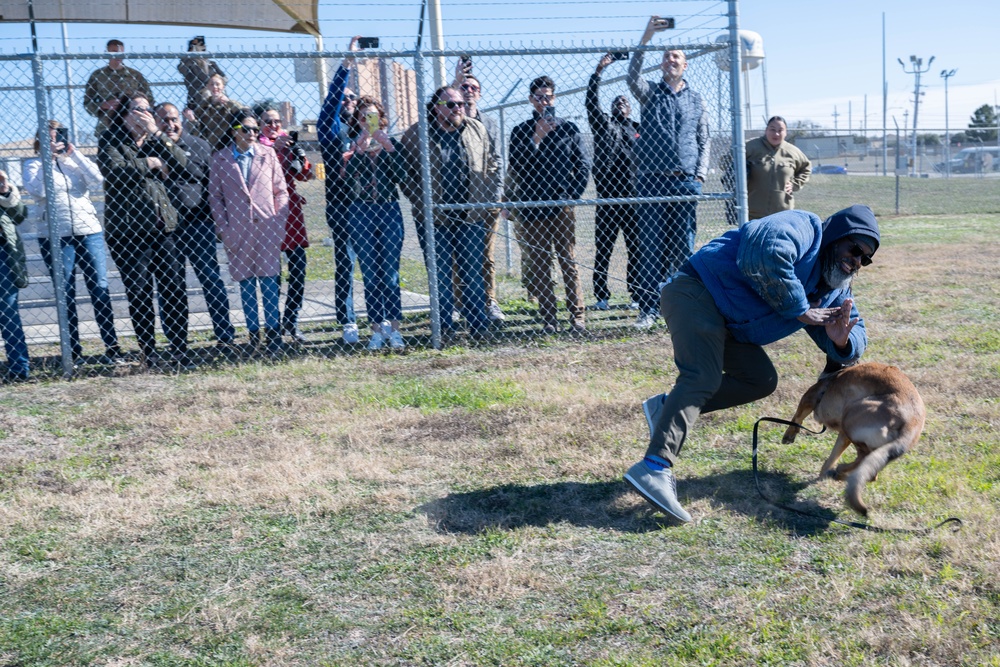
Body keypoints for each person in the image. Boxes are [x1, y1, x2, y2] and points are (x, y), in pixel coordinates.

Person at [623, 205, 881, 524]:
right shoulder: (806, 228)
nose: (857, 261)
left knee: (760, 379)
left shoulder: (832, 289)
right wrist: (800, 309)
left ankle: (665, 409)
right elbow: (764, 251)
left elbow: (856, 334)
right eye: (855, 248)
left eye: (865, 259)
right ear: (836, 237)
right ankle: (653, 467)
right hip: (696, 293)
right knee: (700, 376)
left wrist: (841, 341)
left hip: (729, 325)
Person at [98, 94, 192, 369]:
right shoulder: (110, 139)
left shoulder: (155, 138)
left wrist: (156, 134)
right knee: (139, 293)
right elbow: (113, 171)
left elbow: (180, 163)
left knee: (174, 289)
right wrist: (148, 163)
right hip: (128, 233)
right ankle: (149, 353)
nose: (145, 114)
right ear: (125, 115)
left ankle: (179, 350)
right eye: (138, 109)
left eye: (148, 109)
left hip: (163, 228)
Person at [628, 16, 710, 329]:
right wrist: (646, 38)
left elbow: (704, 138)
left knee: (683, 248)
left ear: (685, 65)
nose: (670, 59)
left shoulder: (696, 99)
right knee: (649, 246)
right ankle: (647, 310)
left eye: (676, 56)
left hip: (685, 182)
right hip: (651, 181)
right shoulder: (649, 93)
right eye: (666, 56)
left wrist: (699, 176)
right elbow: (632, 76)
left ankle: (680, 308)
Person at [401, 86, 501, 341]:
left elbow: (492, 163)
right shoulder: (416, 135)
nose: (459, 108)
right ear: (436, 107)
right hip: (434, 219)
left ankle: (479, 327)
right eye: (452, 104)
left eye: (460, 104)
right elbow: (405, 175)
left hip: (470, 216)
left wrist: (487, 199)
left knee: (472, 273)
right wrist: (422, 202)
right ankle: (444, 328)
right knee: (441, 275)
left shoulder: (476, 129)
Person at [23, 120, 123, 365]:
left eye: (58, 136)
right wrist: (49, 160)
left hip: (88, 231)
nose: (54, 140)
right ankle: (74, 352)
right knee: (65, 292)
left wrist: (73, 153)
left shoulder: (74, 162)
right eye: (48, 138)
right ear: (39, 141)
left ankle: (112, 348)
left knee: (99, 287)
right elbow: (38, 191)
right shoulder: (33, 164)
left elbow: (97, 179)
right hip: (55, 236)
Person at [504, 76, 591, 334]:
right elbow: (518, 165)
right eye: (539, 97)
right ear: (531, 100)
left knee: (569, 263)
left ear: (554, 98)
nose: (545, 101)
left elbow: (583, 164)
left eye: (549, 97)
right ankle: (549, 320)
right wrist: (537, 137)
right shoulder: (521, 131)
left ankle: (577, 318)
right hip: (532, 209)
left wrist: (572, 195)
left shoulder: (569, 129)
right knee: (540, 265)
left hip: (561, 209)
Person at [154, 103, 237, 352]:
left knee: (211, 279)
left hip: (199, 224)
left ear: (181, 120)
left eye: (174, 119)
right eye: (164, 120)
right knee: (171, 284)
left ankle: (225, 334)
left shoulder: (199, 145)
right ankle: (177, 340)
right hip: (167, 229)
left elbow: (197, 175)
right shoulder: (149, 146)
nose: (170, 125)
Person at [208, 109, 290, 357]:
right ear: (235, 130)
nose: (253, 133)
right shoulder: (221, 159)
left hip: (267, 229)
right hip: (238, 231)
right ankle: (254, 335)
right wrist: (224, 229)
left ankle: (274, 334)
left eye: (255, 129)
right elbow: (216, 198)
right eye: (247, 129)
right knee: (246, 284)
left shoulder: (268, 154)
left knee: (268, 282)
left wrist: (278, 223)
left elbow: (281, 191)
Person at [343, 97, 406, 351]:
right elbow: (347, 184)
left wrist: (388, 146)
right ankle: (377, 330)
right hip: (361, 211)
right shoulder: (352, 147)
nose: (368, 122)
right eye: (363, 117)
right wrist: (360, 149)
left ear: (381, 119)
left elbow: (401, 176)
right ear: (357, 121)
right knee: (370, 273)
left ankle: (395, 329)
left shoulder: (392, 144)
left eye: (373, 117)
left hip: (389, 208)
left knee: (390, 274)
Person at [256, 102, 315, 344]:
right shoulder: (257, 146)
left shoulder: (286, 142)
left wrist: (300, 156)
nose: (273, 126)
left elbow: (304, 175)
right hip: (267, 215)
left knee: (298, 269)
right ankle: (273, 321)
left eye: (277, 121)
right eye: (268, 122)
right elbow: (262, 176)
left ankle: (291, 319)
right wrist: (275, 151)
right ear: (260, 125)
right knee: (273, 274)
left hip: (291, 215)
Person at [451, 59, 505, 322]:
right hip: (459, 200)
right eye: (464, 86)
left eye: (473, 87)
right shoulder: (451, 119)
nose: (469, 90)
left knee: (486, 255)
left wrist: (495, 196)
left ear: (480, 93)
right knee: (457, 255)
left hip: (486, 201)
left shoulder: (490, 122)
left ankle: (490, 301)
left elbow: (496, 160)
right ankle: (459, 302)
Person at [587, 53, 641, 311]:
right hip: (608, 198)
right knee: (603, 249)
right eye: (616, 101)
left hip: (633, 199)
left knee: (636, 249)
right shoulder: (603, 124)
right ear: (611, 109)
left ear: (630, 108)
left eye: (625, 101)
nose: (621, 103)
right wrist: (599, 71)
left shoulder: (638, 128)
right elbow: (590, 103)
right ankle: (601, 296)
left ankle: (637, 294)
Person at [316, 38, 361, 344]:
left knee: (377, 264)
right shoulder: (329, 131)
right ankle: (347, 320)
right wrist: (345, 66)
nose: (348, 101)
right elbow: (332, 100)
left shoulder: (366, 130)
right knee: (345, 263)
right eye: (343, 99)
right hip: (341, 207)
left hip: (368, 205)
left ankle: (382, 317)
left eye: (352, 98)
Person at [745, 116, 811, 221]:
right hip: (752, 213)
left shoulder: (793, 151)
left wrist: (795, 184)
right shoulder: (750, 147)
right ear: (766, 130)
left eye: (780, 130)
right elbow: (726, 162)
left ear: (786, 132)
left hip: (782, 213)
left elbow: (806, 167)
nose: (776, 134)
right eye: (772, 129)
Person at [84, 40, 154, 139]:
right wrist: (103, 105)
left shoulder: (135, 75)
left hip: (134, 124)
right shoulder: (97, 76)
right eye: (113, 52)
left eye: (120, 52)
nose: (117, 55)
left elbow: (150, 99)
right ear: (107, 53)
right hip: (107, 125)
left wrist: (138, 107)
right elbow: (87, 103)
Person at [0, 171, 30, 382]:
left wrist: (6, 192)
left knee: (8, 311)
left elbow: (19, 216)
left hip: (3, 254)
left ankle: (19, 368)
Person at [190, 74, 245, 153]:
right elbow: (196, 131)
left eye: (218, 84)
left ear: (223, 87)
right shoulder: (202, 107)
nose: (215, 87)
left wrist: (228, 103)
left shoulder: (230, 104)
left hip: (229, 145)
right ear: (208, 87)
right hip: (211, 146)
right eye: (212, 84)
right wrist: (192, 120)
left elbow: (244, 113)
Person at [177, 36, 225, 113]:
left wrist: (214, 80)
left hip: (215, 95)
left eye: (202, 45)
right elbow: (181, 69)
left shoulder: (211, 64)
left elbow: (224, 78)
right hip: (196, 99)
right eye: (198, 45)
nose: (201, 48)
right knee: (206, 93)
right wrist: (190, 53)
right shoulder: (190, 64)